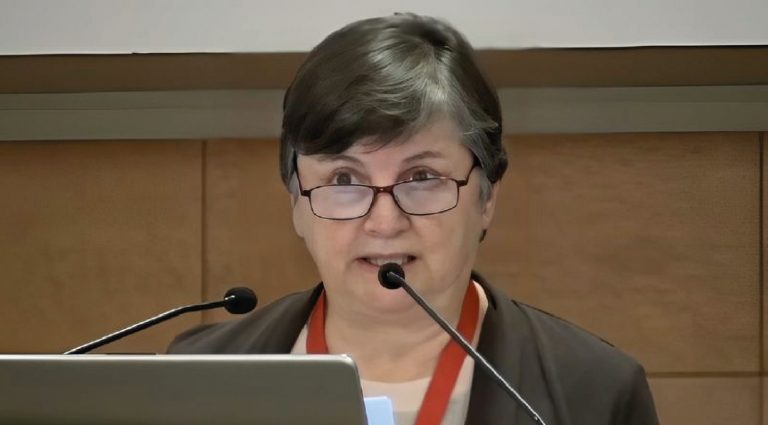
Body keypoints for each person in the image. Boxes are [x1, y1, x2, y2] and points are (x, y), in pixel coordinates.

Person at [168, 13, 659, 425]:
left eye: (422, 176)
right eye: (344, 179)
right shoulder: (195, 377)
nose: (384, 222)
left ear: (486, 196)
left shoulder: (593, 393)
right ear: (296, 202)